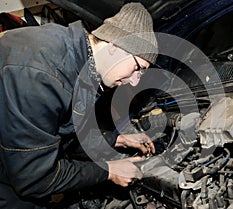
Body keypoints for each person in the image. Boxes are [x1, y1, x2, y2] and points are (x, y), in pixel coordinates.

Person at [0, 2, 157, 209]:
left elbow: (64, 132)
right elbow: (34, 179)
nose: (136, 81)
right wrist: (108, 171)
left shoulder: (78, 59)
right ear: (115, 46)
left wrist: (118, 139)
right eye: (138, 68)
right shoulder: (44, 75)